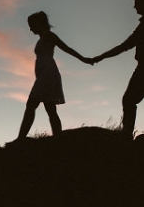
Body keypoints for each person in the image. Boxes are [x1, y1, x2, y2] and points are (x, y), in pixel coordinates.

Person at [92, 0, 144, 139]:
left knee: (131, 100)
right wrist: (101, 57)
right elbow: (126, 45)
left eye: (137, 3)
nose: (135, 7)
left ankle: (127, 134)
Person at [14, 11, 93, 141]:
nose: (30, 28)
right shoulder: (42, 38)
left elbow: (66, 48)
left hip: (48, 74)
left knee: (31, 104)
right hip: (44, 75)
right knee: (50, 109)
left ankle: (21, 138)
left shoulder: (50, 36)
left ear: (39, 24)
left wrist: (83, 59)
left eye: (32, 25)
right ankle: (58, 139)